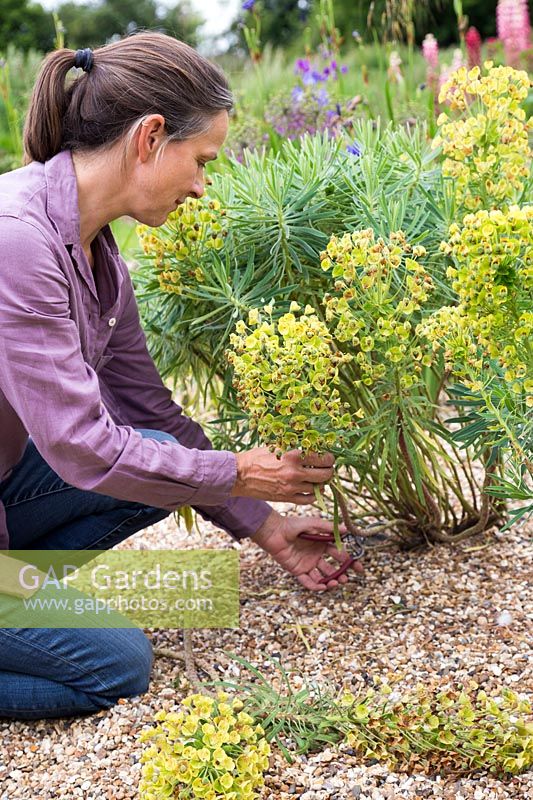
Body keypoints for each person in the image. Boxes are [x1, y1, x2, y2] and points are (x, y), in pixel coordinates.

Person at [0, 33, 362, 720]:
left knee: (166, 455)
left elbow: (154, 416)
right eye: (200, 161)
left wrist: (265, 525)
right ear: (150, 137)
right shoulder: (16, 239)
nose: (201, 185)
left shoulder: (98, 256)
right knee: (116, 666)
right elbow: (80, 445)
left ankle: (17, 593)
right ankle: (17, 605)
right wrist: (236, 471)